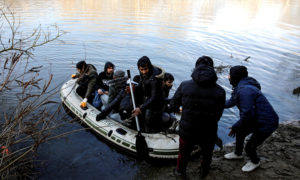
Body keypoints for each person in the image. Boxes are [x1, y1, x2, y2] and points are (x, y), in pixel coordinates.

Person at [171, 62, 225, 178]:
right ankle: (204, 171)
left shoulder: (184, 85)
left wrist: (182, 110)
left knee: (183, 154)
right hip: (208, 131)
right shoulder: (220, 91)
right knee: (207, 153)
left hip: (187, 130)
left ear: (196, 68)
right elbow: (218, 114)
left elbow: (173, 104)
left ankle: (180, 172)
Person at [223, 65, 279, 172]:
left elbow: (247, 114)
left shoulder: (245, 91)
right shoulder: (241, 86)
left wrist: (235, 126)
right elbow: (231, 102)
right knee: (240, 132)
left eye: (229, 75)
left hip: (266, 123)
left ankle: (255, 161)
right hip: (255, 119)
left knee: (249, 147)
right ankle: (238, 154)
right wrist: (216, 103)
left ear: (235, 76)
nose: (228, 76)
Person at [132, 56, 165, 133]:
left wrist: (141, 108)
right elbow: (142, 81)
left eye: (145, 69)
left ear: (149, 67)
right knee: (144, 116)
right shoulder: (144, 73)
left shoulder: (155, 79)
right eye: (141, 70)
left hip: (156, 103)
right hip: (148, 98)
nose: (143, 72)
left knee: (148, 118)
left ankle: (149, 132)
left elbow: (154, 97)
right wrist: (135, 88)